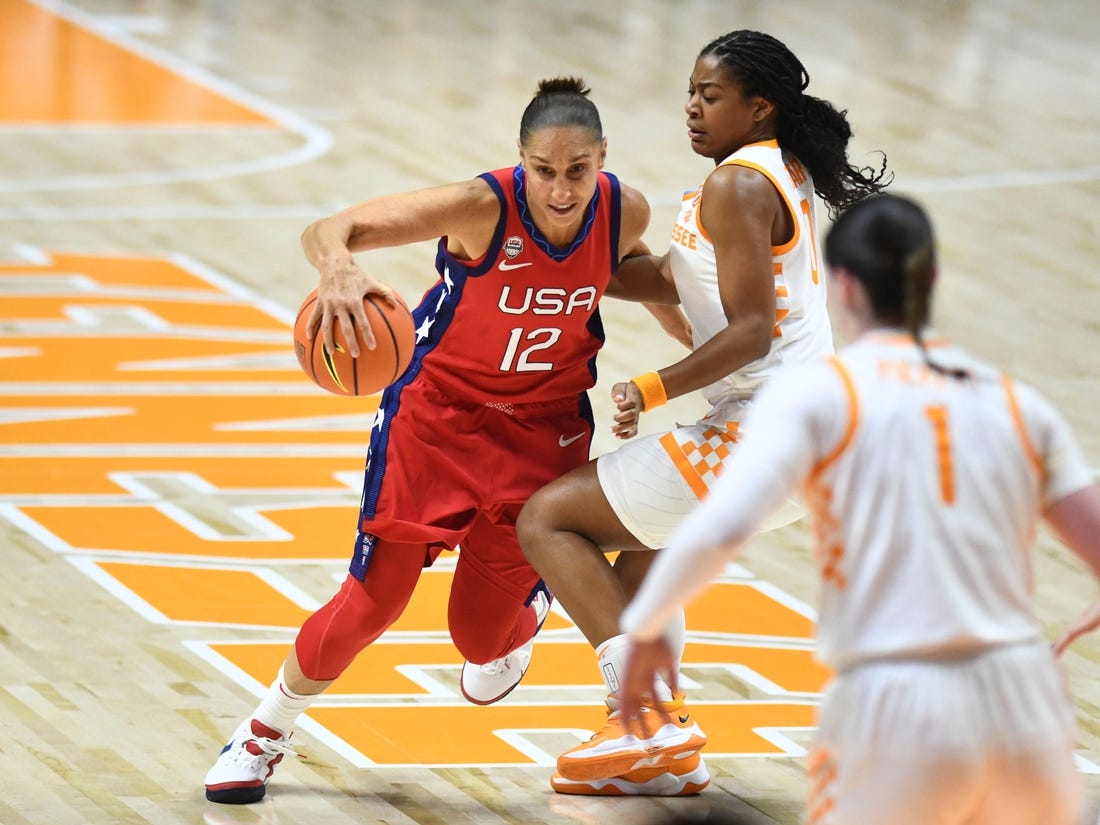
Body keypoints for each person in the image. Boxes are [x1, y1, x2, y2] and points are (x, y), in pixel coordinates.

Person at [203, 76, 689, 805]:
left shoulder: (624, 211)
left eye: (578, 171)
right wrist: (338, 269)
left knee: (481, 642)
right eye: (545, 171)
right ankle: (264, 731)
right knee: (373, 602)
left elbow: (645, 284)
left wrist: (702, 362)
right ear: (520, 161)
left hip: (542, 433)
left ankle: (528, 612)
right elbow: (329, 228)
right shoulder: (480, 207)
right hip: (436, 421)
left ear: (602, 159)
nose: (561, 190)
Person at [616, 193, 1100, 824]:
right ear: (931, 279)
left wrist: (647, 627)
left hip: (897, 699)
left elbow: (718, 530)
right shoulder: (1013, 402)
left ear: (841, 286)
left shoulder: (820, 397)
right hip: (1024, 699)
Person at [516, 29, 890, 797]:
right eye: (690, 90)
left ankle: (643, 721)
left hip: (765, 431)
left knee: (548, 520)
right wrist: (571, 252)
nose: (691, 107)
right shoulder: (767, 170)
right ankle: (667, 760)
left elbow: (751, 326)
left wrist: (649, 388)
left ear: (760, 108)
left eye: (709, 96)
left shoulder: (738, 186)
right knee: (645, 563)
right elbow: (671, 276)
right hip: (796, 435)